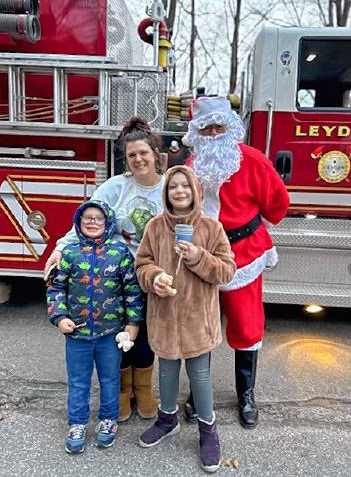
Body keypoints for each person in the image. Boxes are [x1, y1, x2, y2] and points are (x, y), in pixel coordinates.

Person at [44, 117, 166, 423]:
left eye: (143, 153)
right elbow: (88, 219)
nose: (138, 159)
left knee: (146, 336)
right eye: (132, 155)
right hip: (117, 276)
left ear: (155, 154)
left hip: (153, 275)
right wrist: (60, 247)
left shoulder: (168, 188)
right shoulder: (116, 186)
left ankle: (144, 389)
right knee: (120, 334)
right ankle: (123, 391)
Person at [183, 96, 290, 429]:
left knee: (246, 326)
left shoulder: (253, 160)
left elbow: (278, 203)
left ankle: (246, 394)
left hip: (244, 254)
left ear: (231, 127)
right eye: (207, 127)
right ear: (197, 132)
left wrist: (253, 228)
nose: (214, 132)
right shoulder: (190, 167)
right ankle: (198, 393)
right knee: (202, 327)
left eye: (219, 125)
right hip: (203, 256)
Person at [135, 165, 236, 473]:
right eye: (173, 187)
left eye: (185, 186)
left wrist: (197, 257)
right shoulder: (154, 227)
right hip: (164, 318)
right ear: (166, 194)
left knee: (200, 377)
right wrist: (154, 279)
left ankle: (208, 430)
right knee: (165, 373)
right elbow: (142, 263)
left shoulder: (210, 227)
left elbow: (227, 270)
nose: (179, 191)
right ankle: (167, 419)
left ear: (195, 191)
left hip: (197, 322)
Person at [47, 200, 144, 454]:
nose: (92, 222)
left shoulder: (120, 252)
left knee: (110, 379)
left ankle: (108, 420)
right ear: (79, 222)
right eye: (87, 218)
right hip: (77, 334)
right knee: (78, 381)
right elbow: (56, 288)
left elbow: (132, 291)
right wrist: (59, 317)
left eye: (98, 218)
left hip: (109, 334)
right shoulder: (69, 253)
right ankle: (77, 423)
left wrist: (133, 323)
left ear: (108, 222)